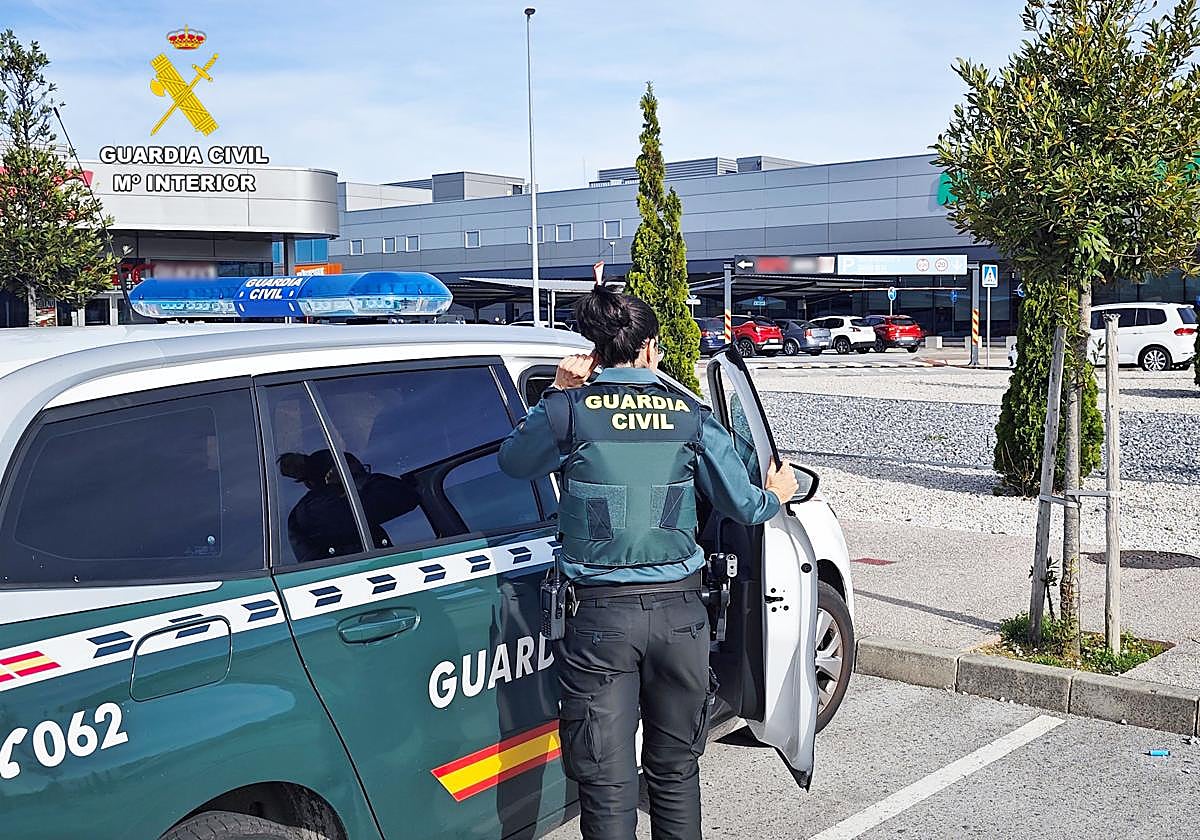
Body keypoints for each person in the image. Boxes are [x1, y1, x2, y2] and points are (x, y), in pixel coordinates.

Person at [498, 286, 798, 840]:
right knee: (676, 770)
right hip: (682, 614)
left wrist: (560, 391)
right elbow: (741, 504)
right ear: (652, 348)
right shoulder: (689, 414)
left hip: (599, 622)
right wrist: (776, 493)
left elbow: (514, 463)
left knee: (607, 784)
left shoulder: (569, 410)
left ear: (595, 349)